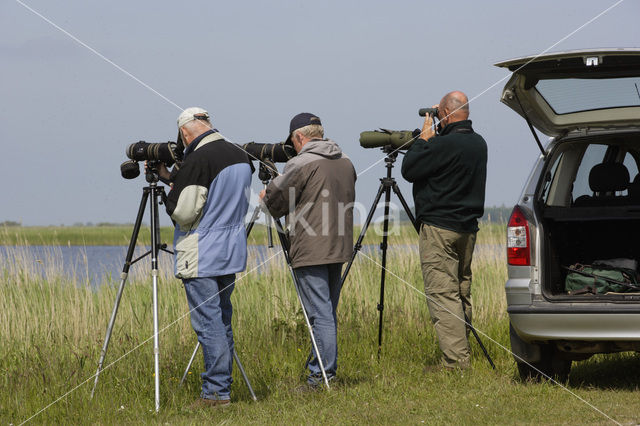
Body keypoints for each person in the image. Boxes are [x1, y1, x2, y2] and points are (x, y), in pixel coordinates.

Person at [159, 107, 252, 407]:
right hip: (230, 250)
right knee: (223, 320)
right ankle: (222, 387)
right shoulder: (239, 154)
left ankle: (215, 393)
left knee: (208, 324)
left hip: (201, 252)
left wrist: (169, 197)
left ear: (186, 132)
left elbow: (184, 213)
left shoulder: (198, 158)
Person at [259, 112, 356, 387]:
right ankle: (320, 369)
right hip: (339, 244)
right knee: (327, 311)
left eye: (292, 141)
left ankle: (321, 378)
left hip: (311, 247)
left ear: (299, 137)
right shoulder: (345, 160)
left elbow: (274, 204)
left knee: (319, 314)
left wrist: (266, 194)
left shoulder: (301, 163)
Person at [401, 91, 487, 370]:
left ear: (446, 114)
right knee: (461, 290)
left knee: (442, 294)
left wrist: (424, 139)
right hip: (467, 229)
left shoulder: (441, 145)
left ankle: (455, 362)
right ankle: (463, 352)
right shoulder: (478, 143)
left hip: (440, 228)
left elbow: (410, 169)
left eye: (438, 113)